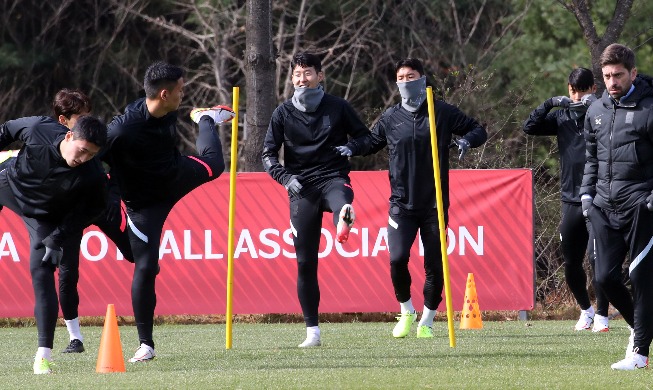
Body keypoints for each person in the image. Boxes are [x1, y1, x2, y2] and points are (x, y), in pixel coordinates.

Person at [336, 58, 487, 338]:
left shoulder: (440, 111)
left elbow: (478, 130)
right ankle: (407, 310)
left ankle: (427, 320)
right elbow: (371, 141)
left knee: (433, 265)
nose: (406, 81)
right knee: (397, 259)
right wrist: (351, 148)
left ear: (422, 78)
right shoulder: (391, 117)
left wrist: (466, 141)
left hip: (434, 205)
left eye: (411, 76)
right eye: (401, 77)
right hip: (401, 205)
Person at [102, 61, 232, 362]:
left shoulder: (166, 110)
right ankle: (146, 344)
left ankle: (205, 120)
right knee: (146, 266)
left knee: (215, 165)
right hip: (144, 204)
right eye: (180, 91)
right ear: (164, 94)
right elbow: (93, 159)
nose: (182, 95)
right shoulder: (122, 130)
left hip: (175, 176)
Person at [262, 52, 370, 348]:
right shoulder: (282, 113)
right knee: (305, 263)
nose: (301, 79)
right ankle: (313, 332)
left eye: (307, 73)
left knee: (341, 198)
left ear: (320, 76)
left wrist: (352, 148)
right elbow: (268, 154)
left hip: (333, 176)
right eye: (297, 74)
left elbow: (366, 138)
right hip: (301, 187)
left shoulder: (338, 107)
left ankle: (343, 219)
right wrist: (285, 177)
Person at [0, 114, 108, 374]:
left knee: (43, 271)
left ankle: (42, 356)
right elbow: (6, 130)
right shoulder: (39, 129)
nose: (83, 158)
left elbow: (93, 209)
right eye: (82, 150)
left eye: (91, 155)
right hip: (9, 185)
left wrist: (58, 237)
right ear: (69, 135)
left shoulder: (92, 175)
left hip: (44, 216)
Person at [580, 43, 653, 370]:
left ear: (633, 73)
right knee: (605, 279)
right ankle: (643, 327)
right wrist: (586, 195)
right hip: (603, 206)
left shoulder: (649, 108)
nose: (612, 81)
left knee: (640, 276)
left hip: (641, 206)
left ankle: (638, 353)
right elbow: (591, 158)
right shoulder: (595, 110)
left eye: (618, 75)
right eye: (607, 75)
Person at [523, 68, 611, 332]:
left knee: (598, 261)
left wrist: (596, 104)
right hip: (570, 199)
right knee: (571, 262)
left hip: (599, 198)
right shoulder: (561, 118)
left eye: (582, 91)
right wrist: (550, 103)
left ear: (592, 89)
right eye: (573, 91)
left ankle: (603, 315)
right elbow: (529, 127)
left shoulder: (602, 113)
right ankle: (586, 310)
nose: (577, 96)